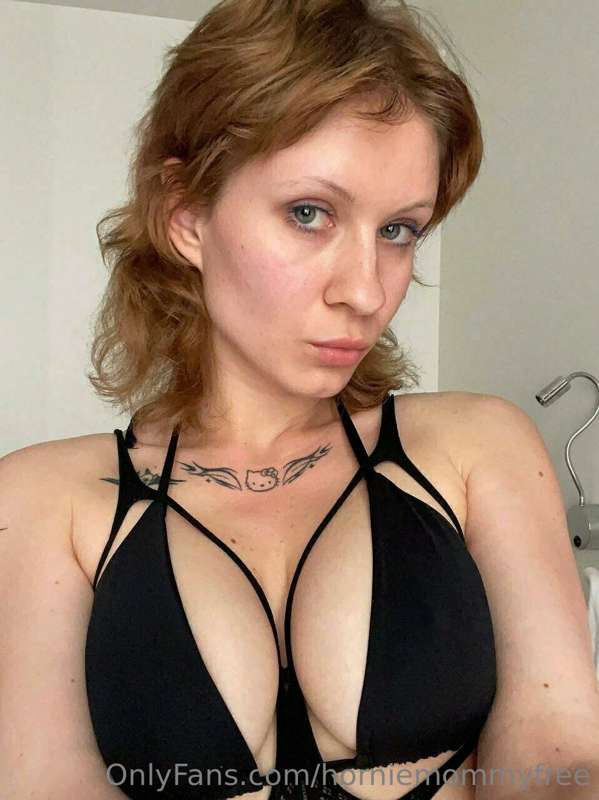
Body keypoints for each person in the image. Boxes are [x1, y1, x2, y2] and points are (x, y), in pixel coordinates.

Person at [2, 0, 598, 798]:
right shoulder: (42, 499)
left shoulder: (474, 446)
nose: (367, 291)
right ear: (187, 216)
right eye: (309, 214)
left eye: (398, 230)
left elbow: (558, 750)